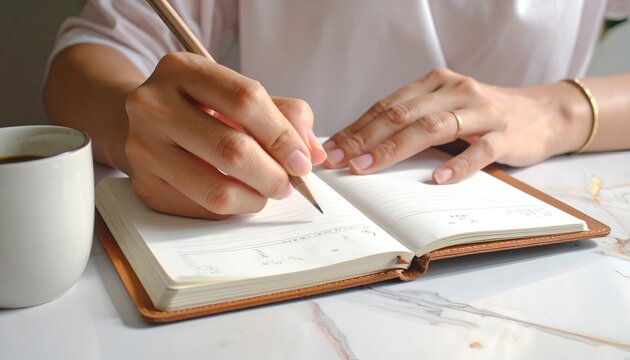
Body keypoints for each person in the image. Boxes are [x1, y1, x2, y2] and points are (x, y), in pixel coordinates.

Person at [44, 0, 630, 220]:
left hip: (549, 241)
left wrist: (559, 111)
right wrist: (132, 125)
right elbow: (95, 52)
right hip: (264, 227)